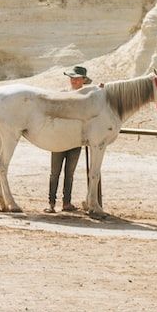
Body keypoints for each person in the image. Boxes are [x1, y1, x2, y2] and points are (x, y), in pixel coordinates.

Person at [47, 64, 93, 213]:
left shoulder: (88, 96)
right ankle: (51, 203)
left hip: (75, 139)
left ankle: (66, 203)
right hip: (59, 139)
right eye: (71, 78)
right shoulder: (63, 93)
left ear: (83, 80)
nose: (73, 80)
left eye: (76, 78)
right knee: (55, 173)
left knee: (69, 174)